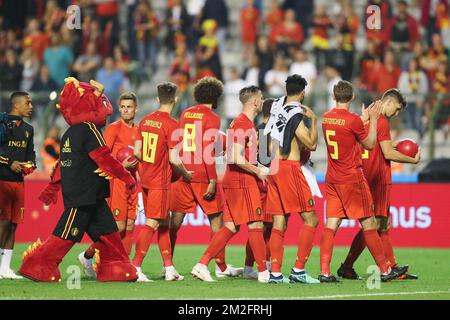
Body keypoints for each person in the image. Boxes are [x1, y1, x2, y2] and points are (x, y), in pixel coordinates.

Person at [19, 78, 138, 282]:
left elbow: (60, 166)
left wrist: (52, 188)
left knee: (109, 235)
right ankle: (37, 264)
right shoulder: (90, 130)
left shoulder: (69, 133)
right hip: (83, 195)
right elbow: (105, 159)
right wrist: (125, 176)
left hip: (94, 196)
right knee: (66, 235)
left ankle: (116, 267)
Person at [319, 80, 402, 282]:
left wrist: (361, 118)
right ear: (353, 97)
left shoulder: (326, 118)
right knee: (369, 222)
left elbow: (346, 132)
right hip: (352, 178)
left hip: (332, 178)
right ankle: (384, 270)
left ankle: (324, 272)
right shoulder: (353, 120)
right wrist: (372, 119)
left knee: (332, 223)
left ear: (333, 97)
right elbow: (370, 144)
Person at [338, 89, 420, 280]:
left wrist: (390, 143)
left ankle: (387, 267)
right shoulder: (381, 120)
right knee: (374, 224)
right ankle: (384, 268)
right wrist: (413, 161)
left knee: (380, 223)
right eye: (397, 109)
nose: (396, 114)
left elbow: (374, 145)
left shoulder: (366, 115)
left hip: (363, 175)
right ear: (389, 103)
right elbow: (388, 154)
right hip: (378, 179)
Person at [192, 86, 270, 282]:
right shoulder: (243, 124)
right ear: (254, 102)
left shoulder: (239, 122)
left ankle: (202, 264)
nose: (262, 101)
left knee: (231, 226)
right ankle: (263, 272)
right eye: (260, 98)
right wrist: (258, 171)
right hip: (242, 181)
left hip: (233, 179)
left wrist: (258, 165)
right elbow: (234, 155)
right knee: (255, 224)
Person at [169, 77, 242, 278]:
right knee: (217, 220)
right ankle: (220, 266)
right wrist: (212, 180)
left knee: (175, 221)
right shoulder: (212, 117)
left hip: (184, 172)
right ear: (216, 97)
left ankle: (168, 266)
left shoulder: (184, 113)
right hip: (202, 173)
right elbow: (207, 151)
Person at [131, 82, 191, 282]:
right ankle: (136, 266)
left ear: (157, 99)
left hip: (146, 179)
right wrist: (186, 174)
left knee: (164, 222)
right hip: (160, 181)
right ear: (175, 99)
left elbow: (137, 152)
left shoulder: (145, 121)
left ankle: (169, 268)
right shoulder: (173, 125)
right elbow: (174, 159)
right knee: (153, 222)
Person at [264, 74, 320, 284]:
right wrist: (314, 121)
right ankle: (298, 270)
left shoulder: (276, 109)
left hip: (273, 168)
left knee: (279, 220)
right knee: (311, 219)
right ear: (303, 92)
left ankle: (276, 273)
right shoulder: (297, 113)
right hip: (289, 168)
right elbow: (312, 144)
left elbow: (264, 139)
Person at [78, 92, 140, 278]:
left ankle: (127, 266)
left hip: (133, 182)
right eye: (122, 107)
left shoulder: (139, 131)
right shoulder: (114, 128)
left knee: (130, 226)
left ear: (136, 109)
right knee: (118, 227)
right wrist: (121, 166)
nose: (125, 110)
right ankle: (87, 255)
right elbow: (103, 156)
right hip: (117, 181)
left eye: (129, 107)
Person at [0, 91, 35, 279]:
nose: (31, 106)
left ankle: (5, 269)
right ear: (16, 105)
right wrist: (8, 162)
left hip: (19, 182)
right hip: (2, 180)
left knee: (14, 224)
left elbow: (31, 152)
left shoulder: (29, 128)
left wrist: (32, 163)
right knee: (3, 223)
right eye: (28, 103)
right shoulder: (2, 124)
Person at [242, 98, 274, 279]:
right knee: (263, 227)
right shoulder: (266, 132)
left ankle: (255, 266)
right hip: (266, 182)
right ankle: (261, 266)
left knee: (264, 228)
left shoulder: (256, 129)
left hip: (261, 180)